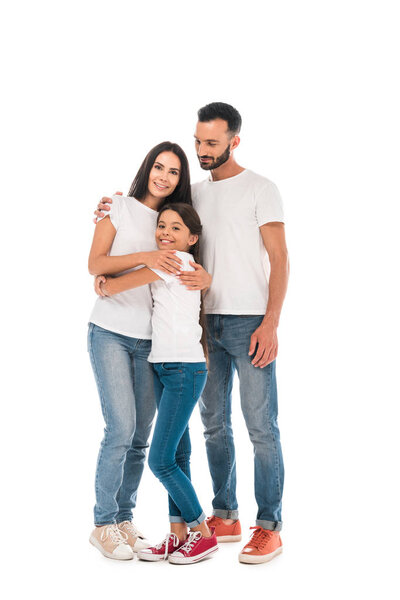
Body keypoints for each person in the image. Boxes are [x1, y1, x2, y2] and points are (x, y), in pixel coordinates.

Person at [95, 102, 289, 565]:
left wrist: (272, 321)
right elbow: (158, 222)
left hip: (249, 320)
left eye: (212, 143)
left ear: (234, 141)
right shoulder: (196, 197)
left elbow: (279, 259)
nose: (202, 150)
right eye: (198, 141)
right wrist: (113, 207)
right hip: (204, 328)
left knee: (261, 426)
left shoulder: (262, 188)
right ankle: (224, 516)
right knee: (213, 427)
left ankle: (269, 526)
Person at [88, 142, 211, 561]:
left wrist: (202, 275)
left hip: (150, 345)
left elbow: (185, 259)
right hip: (109, 331)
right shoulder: (117, 208)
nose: (163, 176)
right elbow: (96, 264)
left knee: (140, 439)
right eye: (158, 167)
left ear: (181, 180)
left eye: (173, 172)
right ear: (148, 168)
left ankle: (124, 518)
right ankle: (103, 523)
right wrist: (144, 259)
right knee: (120, 429)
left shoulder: (170, 222)